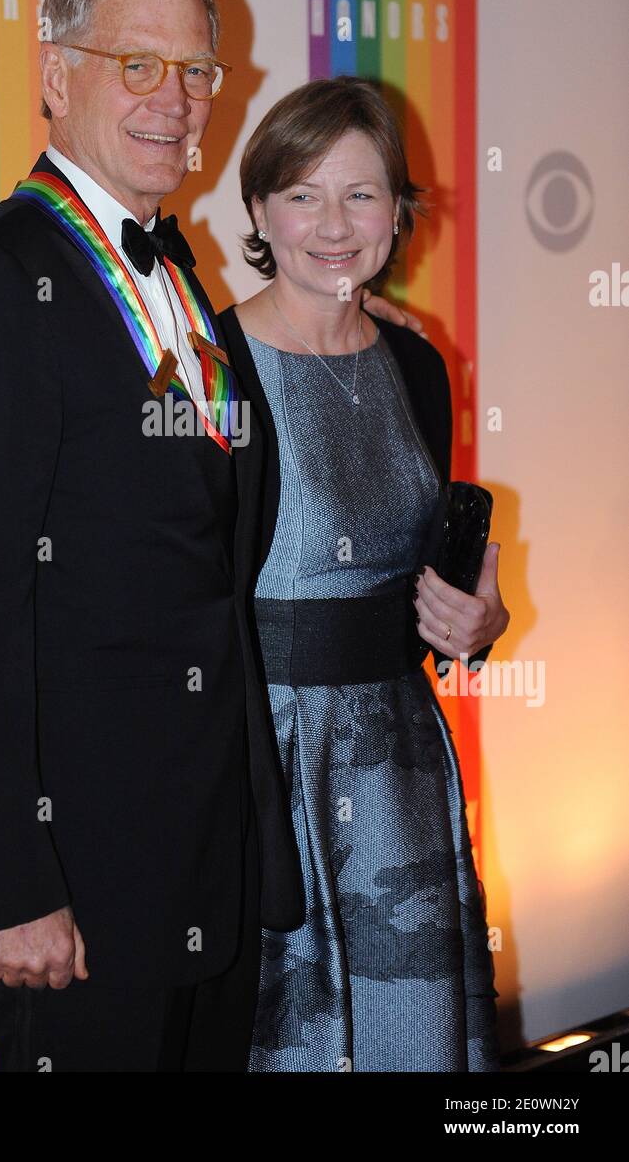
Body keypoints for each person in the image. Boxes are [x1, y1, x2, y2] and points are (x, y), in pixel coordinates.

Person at [0, 0, 415, 1073]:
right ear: (53, 75)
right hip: (72, 885)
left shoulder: (179, 275)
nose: (174, 101)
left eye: (194, 72)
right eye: (136, 64)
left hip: (205, 862)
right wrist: (11, 884)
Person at [218, 76, 510, 1072]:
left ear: (397, 212)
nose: (332, 226)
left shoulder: (418, 362)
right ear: (258, 209)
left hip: (400, 771)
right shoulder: (209, 369)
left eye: (361, 195)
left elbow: (430, 581)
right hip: (258, 762)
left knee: (410, 1040)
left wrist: (474, 620)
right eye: (302, 194)